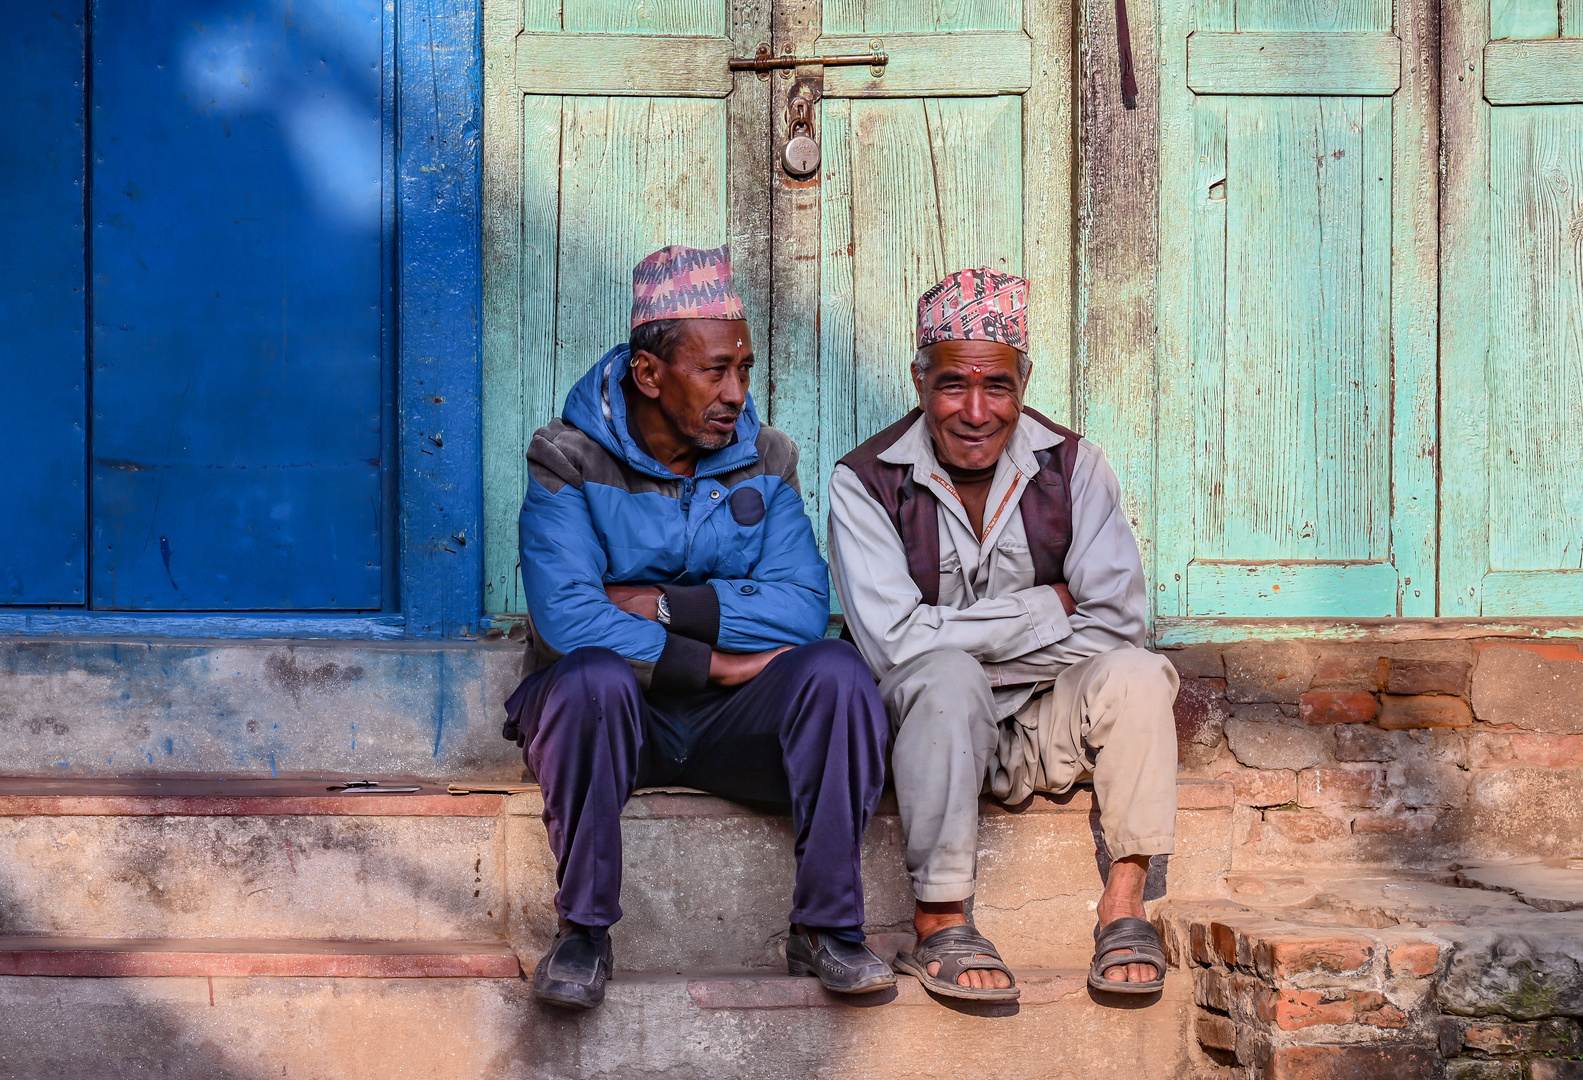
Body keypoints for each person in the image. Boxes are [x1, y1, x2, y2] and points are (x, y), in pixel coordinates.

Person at [504, 243, 895, 1010]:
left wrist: (662, 605)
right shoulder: (566, 457)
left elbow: (800, 607)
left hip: (732, 731)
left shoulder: (764, 456)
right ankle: (582, 933)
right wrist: (720, 664)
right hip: (622, 722)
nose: (735, 392)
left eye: (743, 369)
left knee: (838, 673)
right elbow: (567, 618)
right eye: (714, 370)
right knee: (588, 677)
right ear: (650, 375)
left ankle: (827, 929)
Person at [827, 267, 1179, 1001]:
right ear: (920, 380)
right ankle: (939, 919)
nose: (976, 411)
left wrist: (955, 640)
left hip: (1042, 720)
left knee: (1139, 673)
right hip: (928, 729)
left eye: (999, 388)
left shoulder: (1075, 466)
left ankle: (1123, 903)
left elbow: (1115, 622)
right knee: (945, 676)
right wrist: (1046, 609)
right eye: (954, 385)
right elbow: (893, 643)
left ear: (1023, 383)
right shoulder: (862, 480)